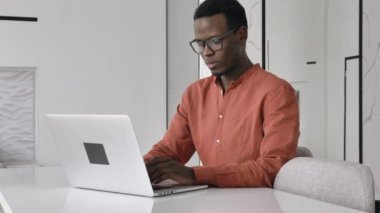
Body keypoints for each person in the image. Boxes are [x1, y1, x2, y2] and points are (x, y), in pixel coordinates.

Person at [144, 0, 299, 187]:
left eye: (215, 41)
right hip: (208, 202)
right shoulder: (194, 94)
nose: (206, 52)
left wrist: (194, 175)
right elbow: (168, 149)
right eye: (200, 44)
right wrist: (137, 169)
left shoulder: (277, 92)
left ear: (241, 35)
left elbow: (273, 168)